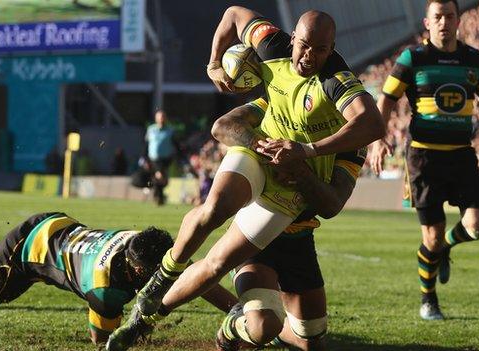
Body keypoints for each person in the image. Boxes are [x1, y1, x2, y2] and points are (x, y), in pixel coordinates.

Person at [107, 7, 384, 350]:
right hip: (260, 154)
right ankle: (150, 303)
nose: (309, 56)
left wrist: (304, 159)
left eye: (321, 50)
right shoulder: (272, 52)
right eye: (305, 45)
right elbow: (234, 15)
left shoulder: (339, 98)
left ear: (331, 50)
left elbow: (333, 201)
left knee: (308, 340)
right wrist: (213, 65)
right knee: (215, 224)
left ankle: (235, 325)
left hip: (294, 211)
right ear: (294, 38)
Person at [0, 212, 237, 346]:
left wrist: (237, 311)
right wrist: (139, 330)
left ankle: (239, 317)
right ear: (137, 271)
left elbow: (190, 274)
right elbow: (102, 339)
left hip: (62, 228)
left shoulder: (139, 241)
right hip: (26, 250)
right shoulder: (105, 289)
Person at [370, 0, 479, 320]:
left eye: (449, 16)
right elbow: (386, 98)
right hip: (424, 158)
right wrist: (377, 137)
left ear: (458, 21)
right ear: (427, 23)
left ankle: (446, 249)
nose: (443, 22)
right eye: (437, 17)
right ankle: (429, 300)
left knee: (478, 225)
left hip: (461, 156)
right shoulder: (413, 58)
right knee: (431, 236)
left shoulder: (474, 59)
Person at [208, 98, 366, 351]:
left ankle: (276, 332)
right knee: (262, 326)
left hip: (300, 239)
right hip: (255, 234)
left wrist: (301, 170)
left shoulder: (351, 140)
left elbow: (331, 205)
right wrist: (269, 152)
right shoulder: (277, 99)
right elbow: (223, 125)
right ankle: (233, 326)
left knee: (311, 341)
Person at [145, 110, 179, 205]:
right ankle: (159, 197)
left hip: (166, 159)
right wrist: (145, 158)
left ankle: (158, 195)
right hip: (153, 158)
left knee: (162, 179)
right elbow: (146, 144)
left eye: (163, 117)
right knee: (159, 176)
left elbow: (176, 144)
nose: (161, 119)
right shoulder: (151, 129)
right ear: (156, 118)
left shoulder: (170, 130)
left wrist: (178, 154)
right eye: (160, 117)